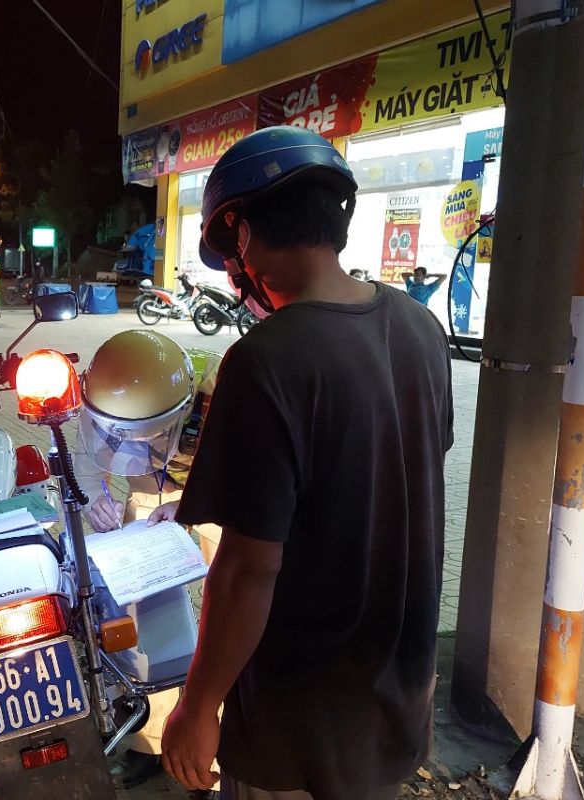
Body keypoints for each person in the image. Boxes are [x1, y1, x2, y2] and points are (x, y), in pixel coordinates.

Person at [152, 126, 453, 800]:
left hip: (296, 724)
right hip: (395, 703)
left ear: (241, 234)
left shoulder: (266, 360)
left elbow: (247, 569)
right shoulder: (422, 329)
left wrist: (197, 708)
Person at [73, 330, 222, 790]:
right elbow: (85, 458)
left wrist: (194, 503)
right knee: (145, 613)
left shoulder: (226, 387)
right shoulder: (104, 390)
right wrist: (94, 499)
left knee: (227, 616)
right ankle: (152, 741)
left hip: (222, 499)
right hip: (152, 498)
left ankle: (220, 750)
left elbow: (256, 471)